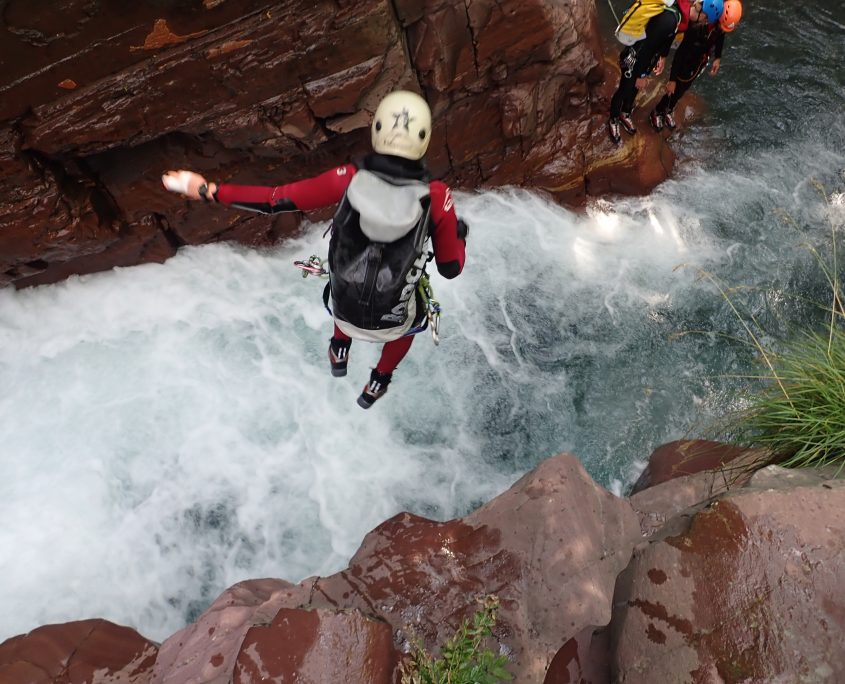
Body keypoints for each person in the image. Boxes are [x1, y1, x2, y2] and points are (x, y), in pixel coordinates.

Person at [162, 90, 467, 409]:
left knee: (347, 274)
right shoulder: (436, 196)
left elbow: (273, 200)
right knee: (409, 318)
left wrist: (206, 190)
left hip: (344, 309)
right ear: (424, 138)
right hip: (393, 321)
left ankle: (339, 348)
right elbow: (451, 267)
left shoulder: (347, 179)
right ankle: (378, 381)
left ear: (377, 130)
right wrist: (458, 235)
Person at [608, 0, 723, 144]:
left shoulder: (678, 18)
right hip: (635, 56)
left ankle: (625, 112)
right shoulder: (670, 20)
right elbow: (646, 46)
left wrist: (663, 56)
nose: (704, 23)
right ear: (702, 14)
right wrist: (640, 75)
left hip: (647, 57)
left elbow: (666, 39)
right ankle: (613, 118)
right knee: (625, 88)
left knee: (635, 88)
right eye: (705, 19)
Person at [649, 0, 742, 131]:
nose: (722, 28)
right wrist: (672, 80)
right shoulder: (697, 26)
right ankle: (658, 110)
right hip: (686, 60)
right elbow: (680, 53)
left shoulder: (719, 27)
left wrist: (718, 57)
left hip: (698, 61)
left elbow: (720, 36)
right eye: (721, 25)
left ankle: (668, 109)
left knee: (683, 89)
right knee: (674, 89)